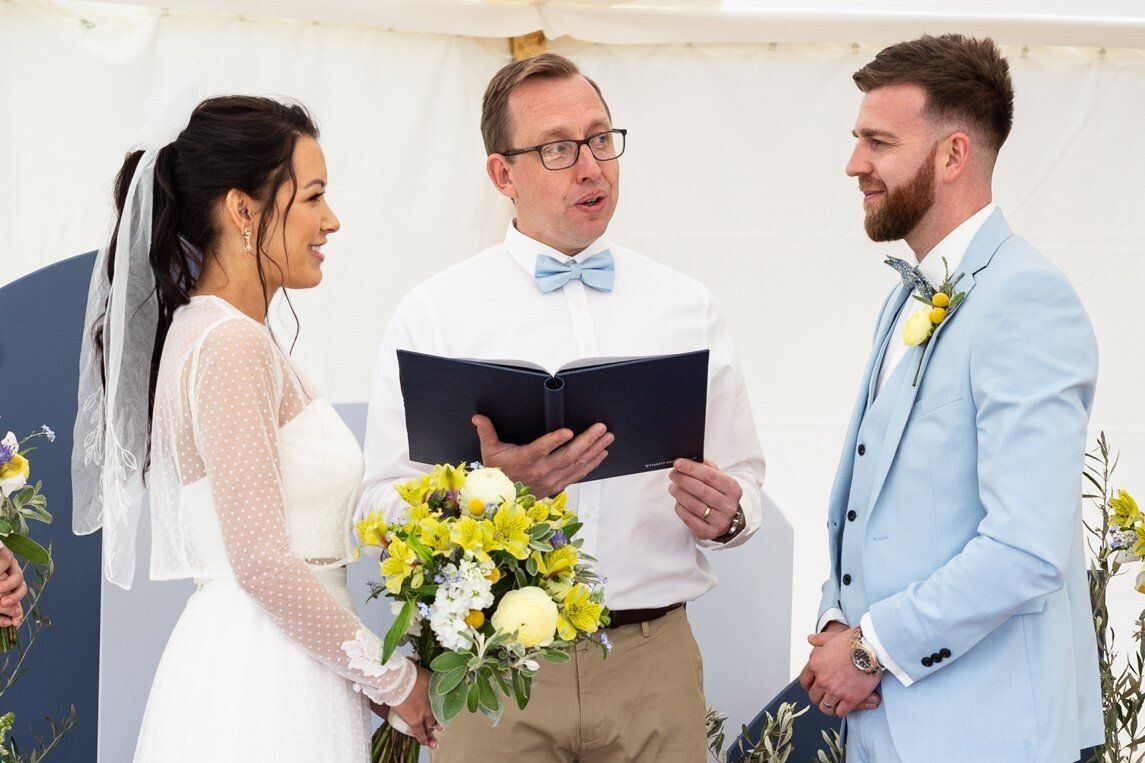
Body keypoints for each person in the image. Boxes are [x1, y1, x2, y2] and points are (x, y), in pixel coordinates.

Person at [358, 53, 777, 761]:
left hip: (653, 664)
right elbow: (378, 505)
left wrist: (731, 514)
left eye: (601, 139)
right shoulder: (434, 313)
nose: (591, 167)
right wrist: (489, 493)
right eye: (558, 148)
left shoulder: (687, 306)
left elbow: (745, 480)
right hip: (496, 668)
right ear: (503, 175)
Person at [71, 96, 436, 761]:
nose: (331, 220)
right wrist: (394, 679)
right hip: (267, 676)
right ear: (243, 210)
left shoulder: (216, 335)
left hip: (286, 658)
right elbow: (262, 561)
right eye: (313, 197)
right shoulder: (231, 345)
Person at [799, 34, 1102, 762]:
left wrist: (869, 649)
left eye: (877, 142)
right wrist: (838, 618)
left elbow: (1025, 547)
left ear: (953, 154)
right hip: (882, 725)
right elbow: (876, 506)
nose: (854, 164)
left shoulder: (1025, 298)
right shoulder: (905, 294)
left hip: (985, 733)